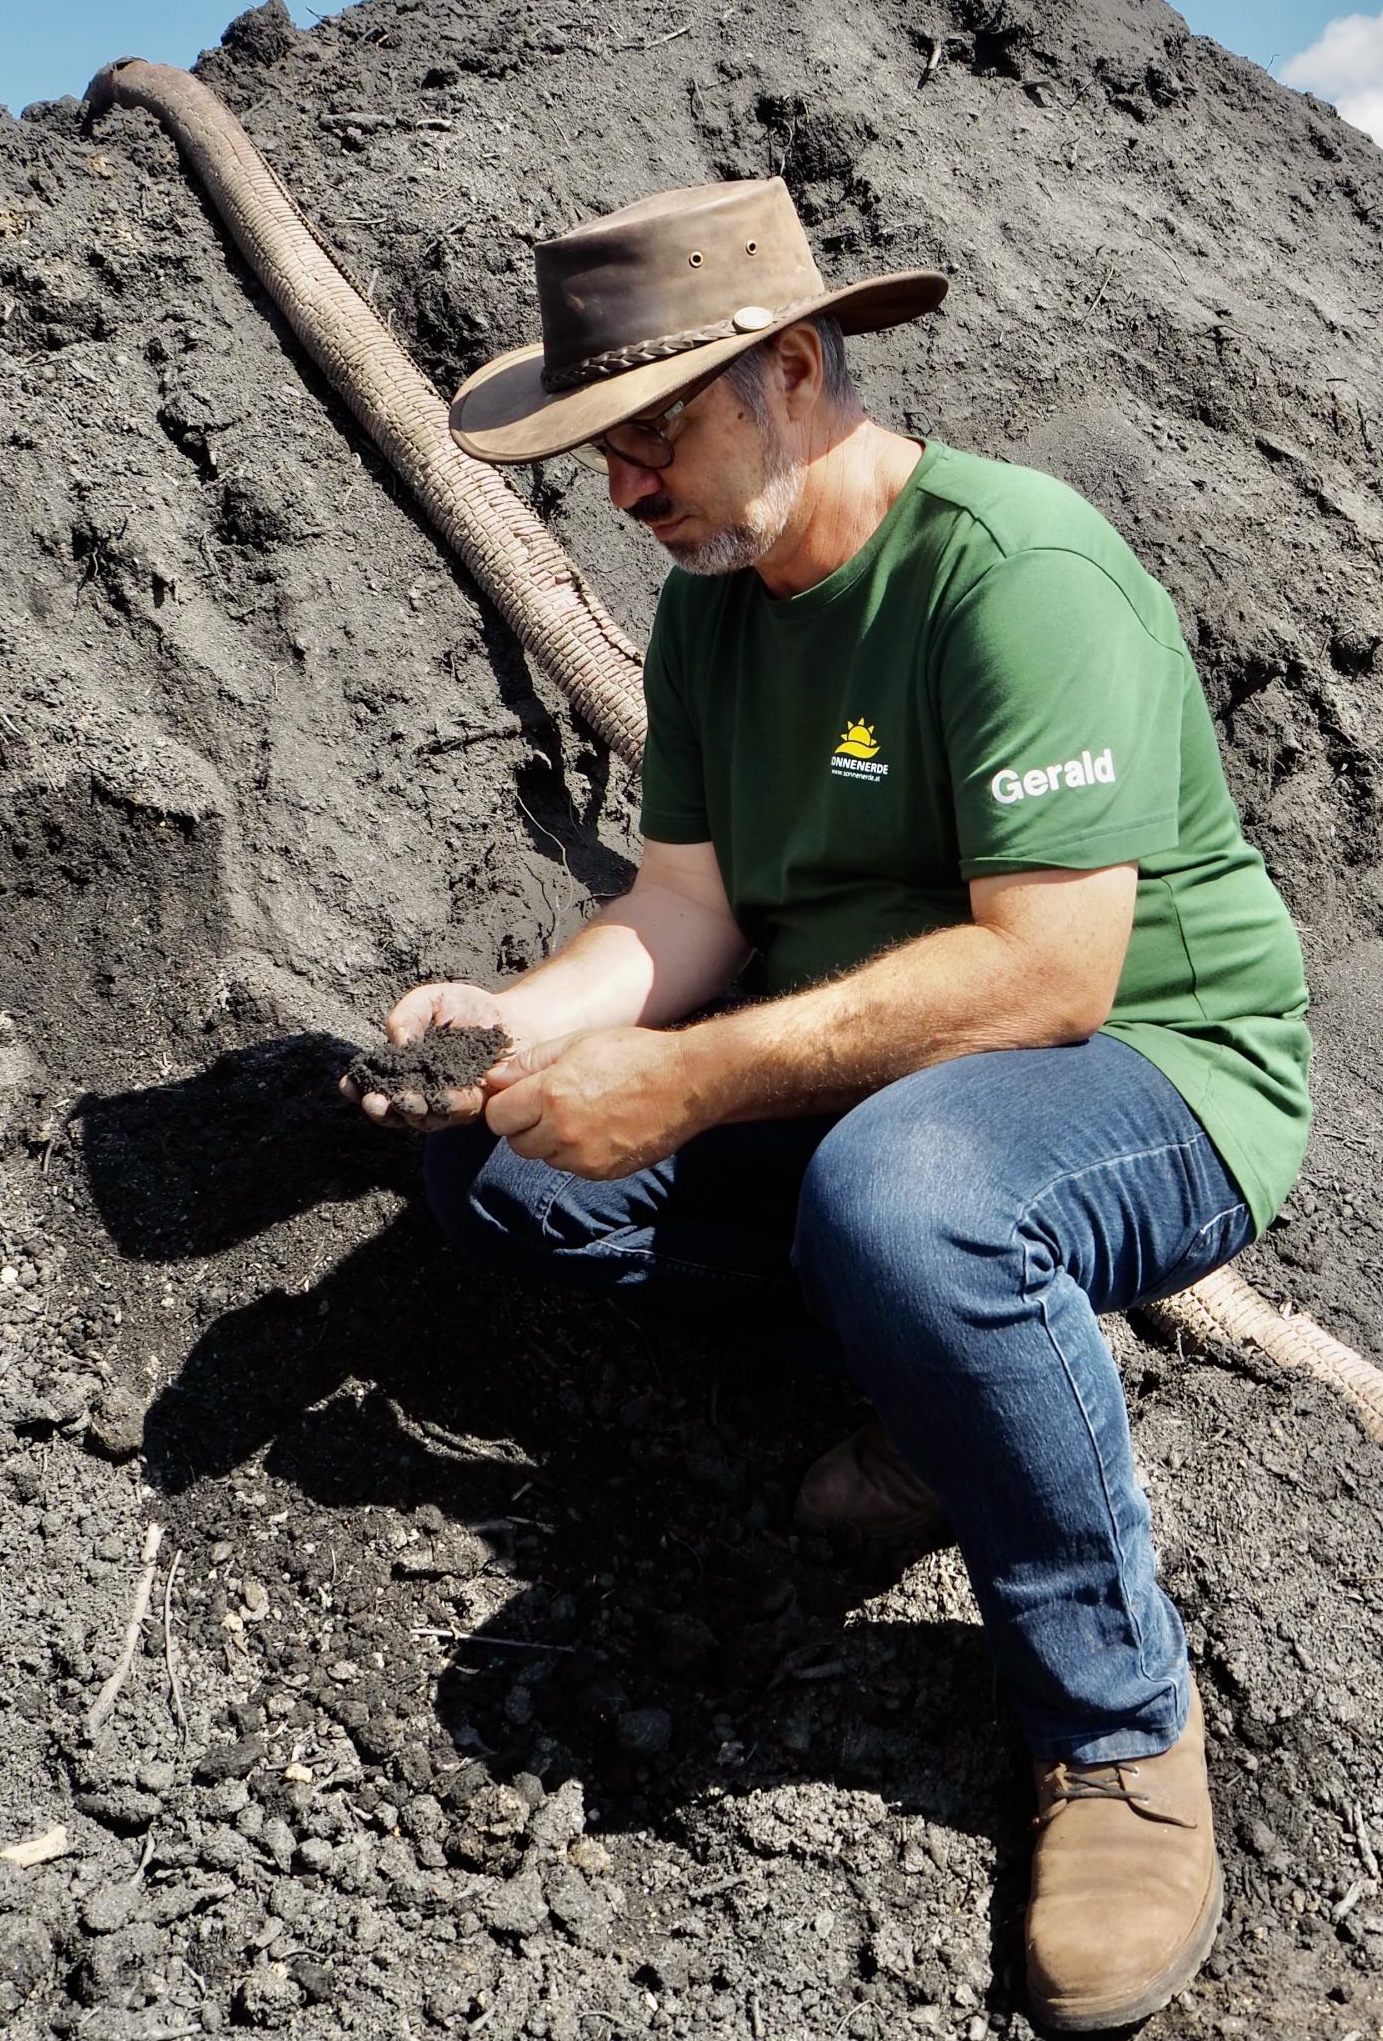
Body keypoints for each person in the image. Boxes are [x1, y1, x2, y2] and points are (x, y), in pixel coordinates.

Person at [343, 177, 1313, 2030]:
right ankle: (950, 1393)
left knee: (909, 1198)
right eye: (604, 457)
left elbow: (1050, 976)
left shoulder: (1013, 573)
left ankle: (1118, 1725)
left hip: (1153, 1075)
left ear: (795, 369)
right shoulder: (713, 613)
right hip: (874, 1079)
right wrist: (525, 1028)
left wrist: (694, 1082)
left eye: (652, 439)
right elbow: (690, 909)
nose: (629, 492)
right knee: (510, 1179)